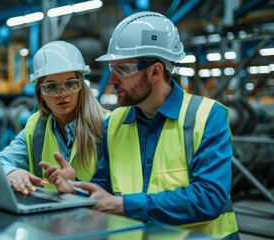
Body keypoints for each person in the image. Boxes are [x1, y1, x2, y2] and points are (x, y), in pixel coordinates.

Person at [44, 12, 239, 239]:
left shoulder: (207, 117)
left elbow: (209, 198)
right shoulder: (114, 123)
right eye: (111, 68)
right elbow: (105, 187)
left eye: (122, 69)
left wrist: (125, 206)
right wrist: (77, 189)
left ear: (155, 71)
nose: (112, 80)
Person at [0, 41, 108, 194]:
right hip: (50, 215)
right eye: (51, 86)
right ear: (41, 94)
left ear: (81, 88)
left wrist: (76, 186)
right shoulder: (36, 125)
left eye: (70, 84)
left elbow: (115, 190)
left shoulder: (107, 125)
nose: (62, 94)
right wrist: (11, 171)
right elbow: (1, 161)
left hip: (96, 215)